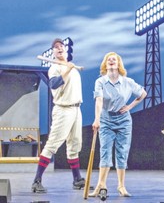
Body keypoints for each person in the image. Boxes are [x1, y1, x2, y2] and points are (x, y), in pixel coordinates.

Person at [89, 52, 147, 200]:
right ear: (105, 64)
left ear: (119, 64)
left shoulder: (127, 81)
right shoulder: (100, 82)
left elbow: (143, 94)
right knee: (105, 151)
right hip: (106, 119)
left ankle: (121, 186)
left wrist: (130, 106)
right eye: (108, 59)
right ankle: (101, 185)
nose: (111, 60)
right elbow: (99, 101)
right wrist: (97, 120)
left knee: (122, 152)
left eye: (114, 59)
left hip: (124, 120)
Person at [31, 38, 84, 193]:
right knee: (52, 144)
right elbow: (53, 84)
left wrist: (69, 68)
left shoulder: (72, 68)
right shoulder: (54, 68)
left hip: (76, 108)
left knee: (75, 145)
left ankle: (77, 179)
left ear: (65, 50)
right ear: (53, 52)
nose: (59, 48)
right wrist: (67, 69)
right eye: (56, 47)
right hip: (63, 109)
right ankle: (36, 181)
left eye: (62, 46)